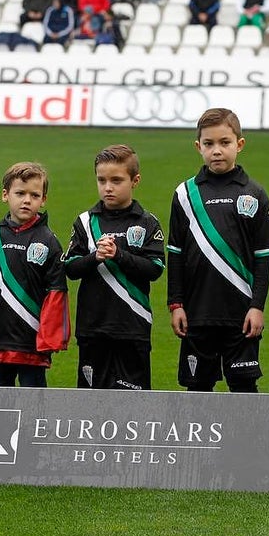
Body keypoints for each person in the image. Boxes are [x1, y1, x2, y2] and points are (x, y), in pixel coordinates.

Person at [167, 108, 269, 393]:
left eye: (224, 143)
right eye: (209, 144)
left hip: (241, 315)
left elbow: (264, 259)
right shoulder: (184, 194)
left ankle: (247, 440)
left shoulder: (255, 194)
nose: (217, 150)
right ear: (198, 147)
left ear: (239, 145)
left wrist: (257, 307)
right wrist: (176, 304)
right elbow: (176, 255)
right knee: (198, 391)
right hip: (197, 313)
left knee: (243, 389)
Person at [63, 145, 165, 390]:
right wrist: (94, 257)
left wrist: (119, 255)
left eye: (116, 180)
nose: (108, 187)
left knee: (133, 404)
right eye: (102, 180)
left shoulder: (147, 222)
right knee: (90, 402)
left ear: (135, 180)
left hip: (133, 326)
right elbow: (70, 268)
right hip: (93, 327)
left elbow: (155, 268)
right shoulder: (86, 222)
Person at [0, 162, 70, 387]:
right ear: (5, 195)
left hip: (32, 343)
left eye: (34, 195)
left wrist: (50, 338)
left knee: (33, 408)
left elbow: (56, 294)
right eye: (20, 193)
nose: (26, 200)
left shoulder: (49, 241)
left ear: (43, 199)